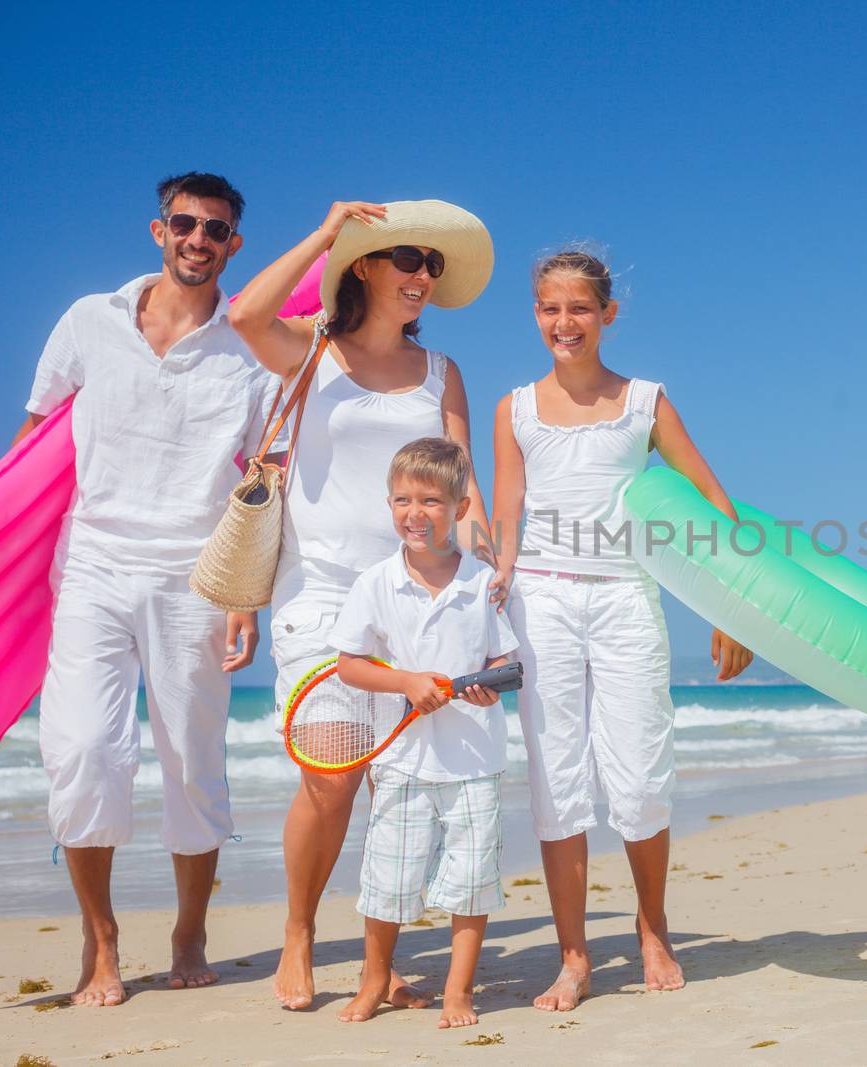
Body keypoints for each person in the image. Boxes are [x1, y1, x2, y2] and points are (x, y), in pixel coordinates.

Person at [15, 172, 277, 1007]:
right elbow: (33, 434)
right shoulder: (89, 320)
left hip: (194, 575)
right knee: (86, 752)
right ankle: (101, 939)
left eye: (215, 229)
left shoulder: (248, 345)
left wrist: (247, 591)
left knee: (193, 764)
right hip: (89, 562)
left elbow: (264, 472)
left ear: (234, 246)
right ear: (157, 231)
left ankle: (190, 926)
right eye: (184, 224)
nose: (197, 238)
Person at [228, 199, 497, 1010]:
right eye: (408, 260)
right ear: (366, 268)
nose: (422, 277)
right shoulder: (311, 350)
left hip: (417, 600)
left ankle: (382, 962)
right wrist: (323, 232)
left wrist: (489, 578)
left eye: (432, 266)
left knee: (400, 787)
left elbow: (465, 489)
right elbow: (245, 313)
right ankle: (301, 931)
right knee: (333, 774)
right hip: (321, 594)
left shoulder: (443, 373)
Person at [491, 249, 755, 1012]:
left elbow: (711, 498)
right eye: (549, 308)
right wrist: (495, 585)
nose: (563, 322)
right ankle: (574, 956)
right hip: (540, 603)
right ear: (535, 313)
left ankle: (653, 927)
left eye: (579, 308)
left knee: (640, 776)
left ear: (607, 314)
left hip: (626, 599)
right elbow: (507, 514)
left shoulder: (645, 400)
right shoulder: (515, 409)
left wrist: (729, 605)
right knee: (558, 782)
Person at [328, 437, 517, 1028]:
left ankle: (459, 992)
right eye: (403, 500)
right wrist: (407, 682)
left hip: (473, 763)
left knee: (470, 884)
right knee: (388, 881)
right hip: (402, 762)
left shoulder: (479, 583)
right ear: (388, 505)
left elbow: (505, 664)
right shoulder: (376, 583)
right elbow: (349, 664)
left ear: (461, 508)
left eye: (431, 501)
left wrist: (488, 685)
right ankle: (376, 978)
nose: (415, 513)